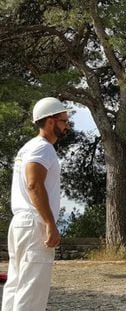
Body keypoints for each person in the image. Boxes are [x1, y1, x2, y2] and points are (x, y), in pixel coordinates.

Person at [2, 97, 72, 310]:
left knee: (16, 286)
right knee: (32, 292)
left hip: (21, 224)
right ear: (51, 121)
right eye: (63, 120)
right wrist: (50, 223)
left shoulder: (28, 147)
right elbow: (34, 184)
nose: (66, 125)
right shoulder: (43, 148)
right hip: (34, 224)